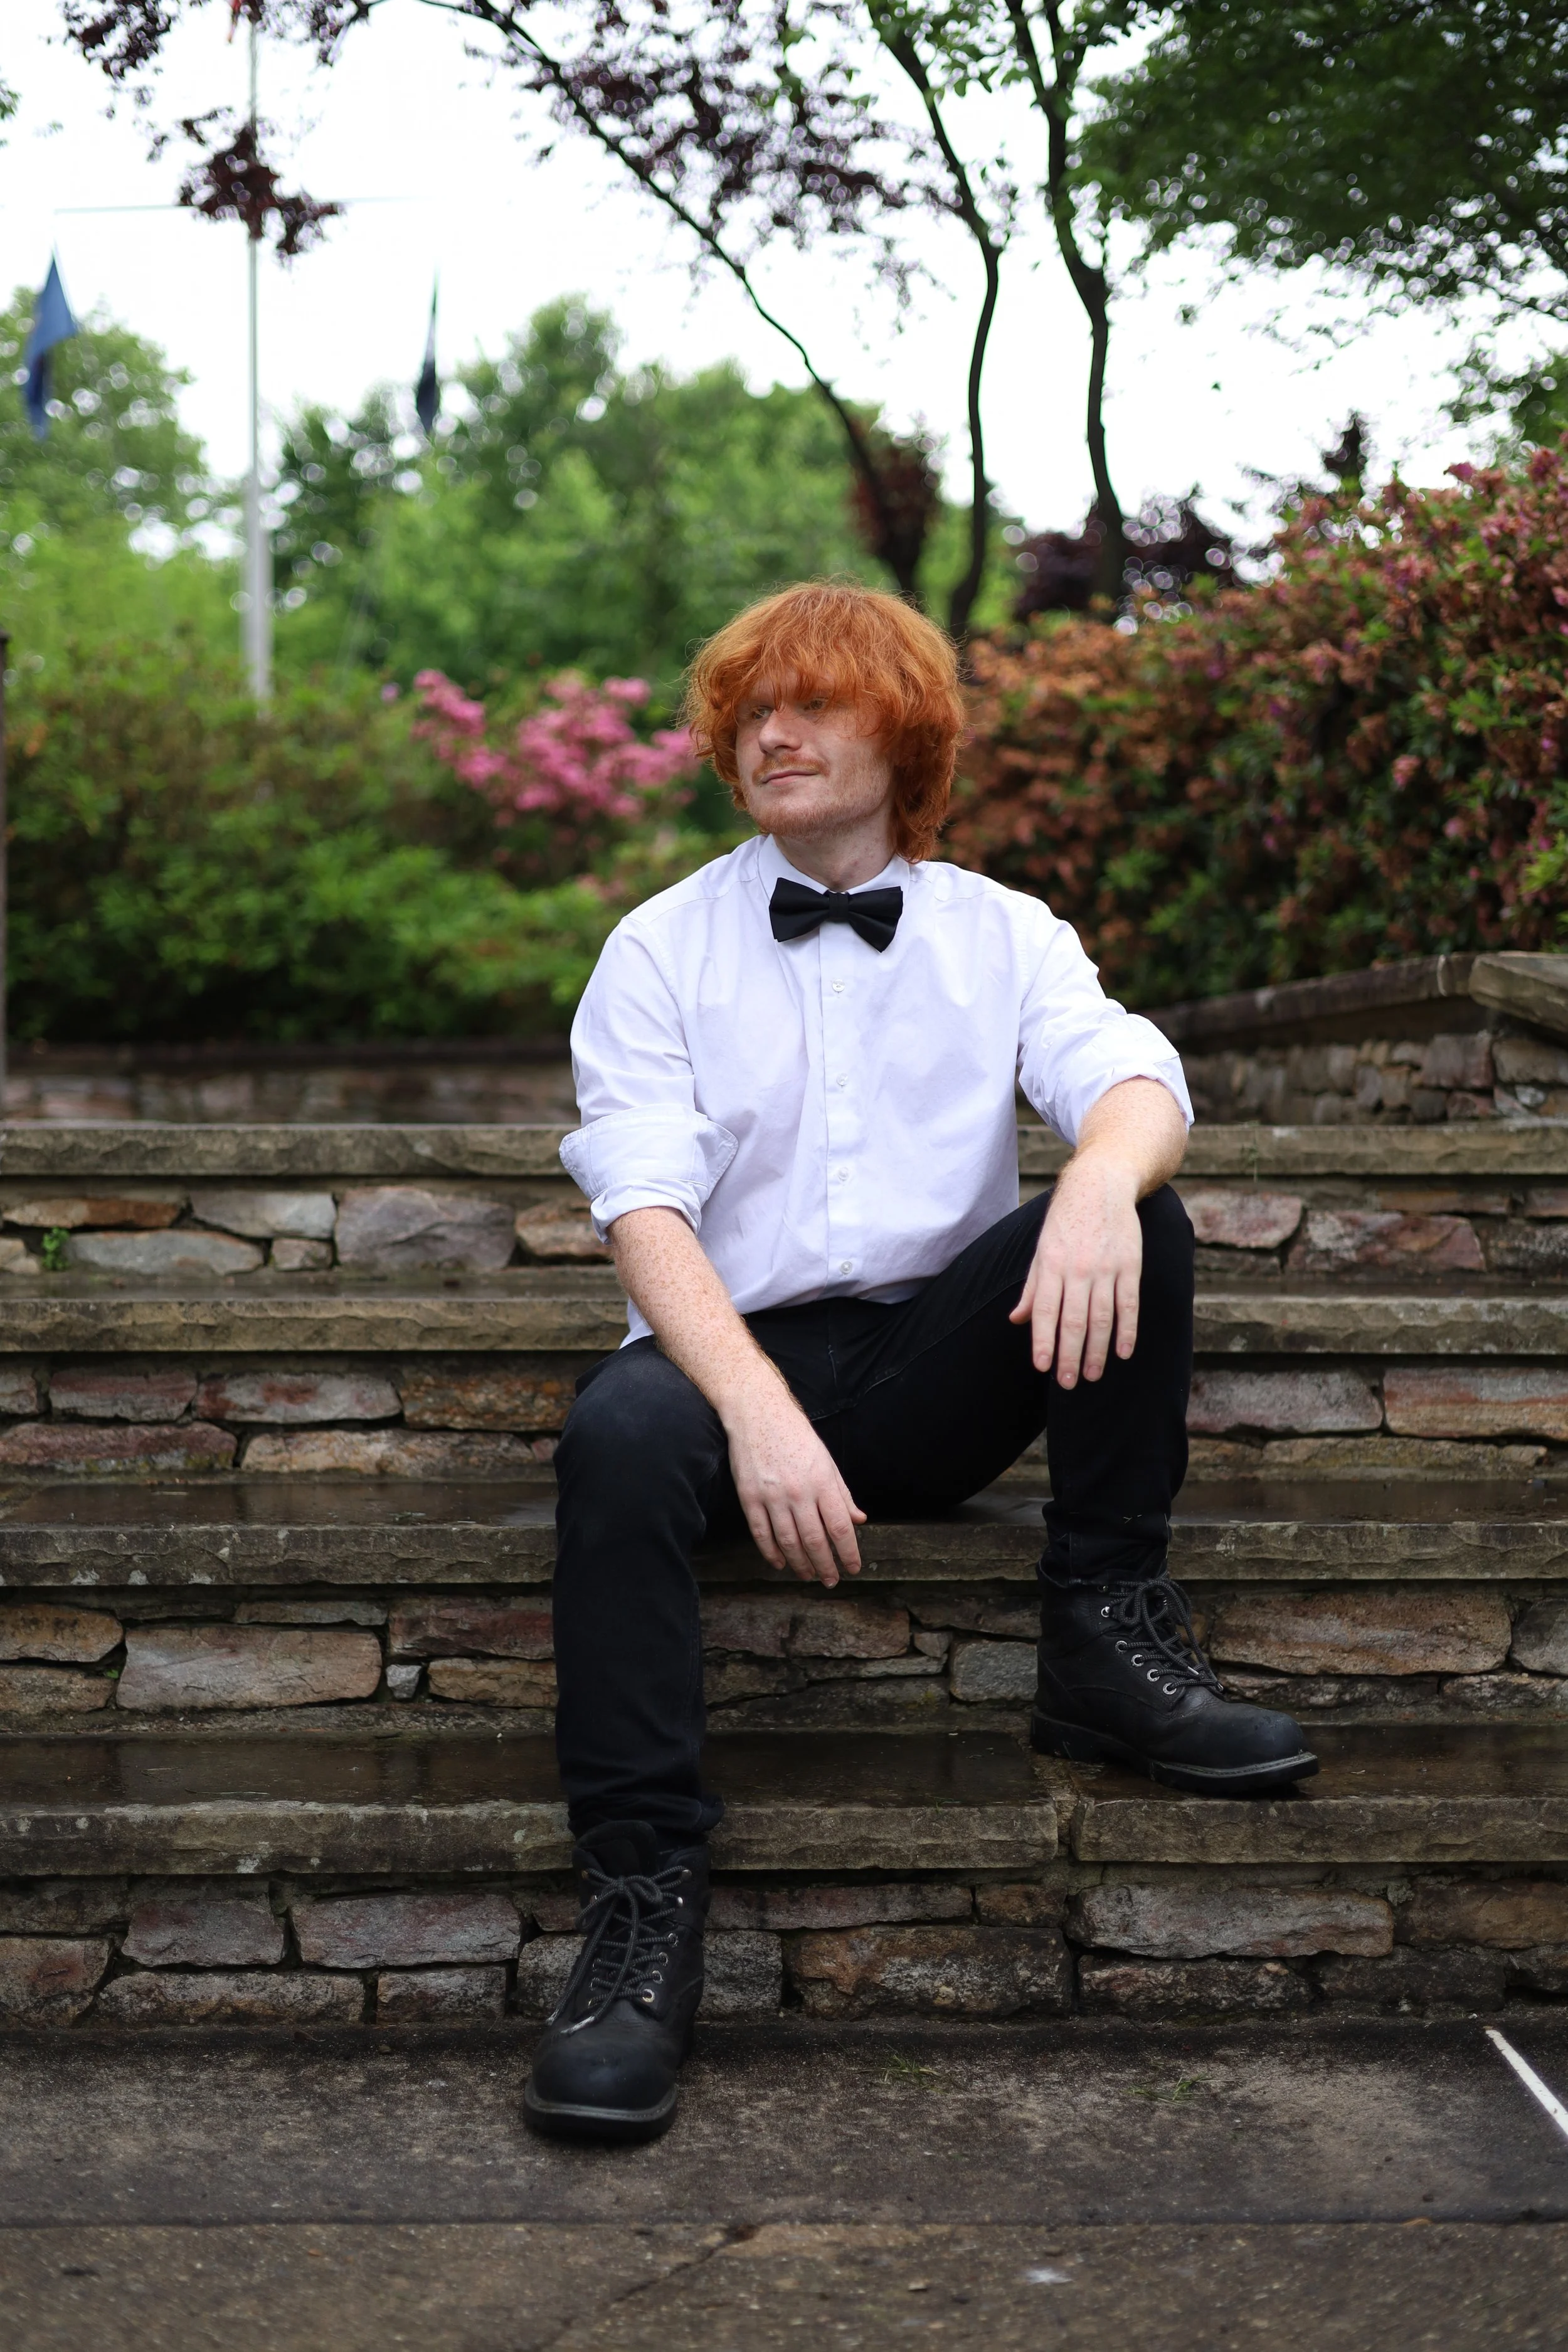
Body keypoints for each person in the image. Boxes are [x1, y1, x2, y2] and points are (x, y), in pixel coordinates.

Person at [523, 582, 1316, 2144]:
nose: (771, 729)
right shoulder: (657, 944)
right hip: (720, 1361)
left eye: (811, 702)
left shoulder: (1001, 933)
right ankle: (636, 1908)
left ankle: (1101, 1638)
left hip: (926, 1375)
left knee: (1136, 1220)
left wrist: (1091, 1180)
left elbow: (1135, 1080)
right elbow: (643, 1208)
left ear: (906, 732)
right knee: (615, 1440)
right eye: (749, 707)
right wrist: (749, 1410)